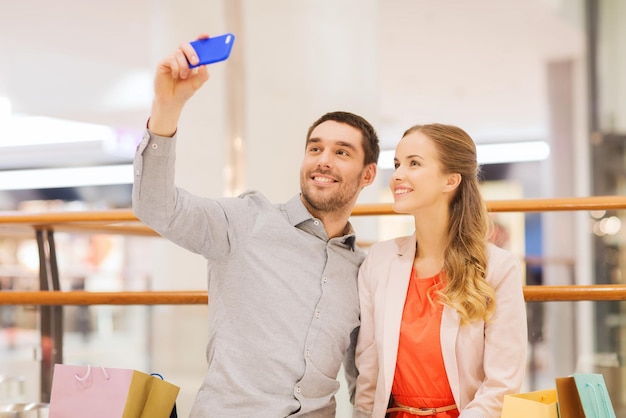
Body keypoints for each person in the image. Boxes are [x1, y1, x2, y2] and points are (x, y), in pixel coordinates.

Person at [132, 35, 380, 417]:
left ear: (368, 175)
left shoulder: (363, 270)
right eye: (315, 148)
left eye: (341, 152)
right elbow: (156, 207)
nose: (323, 160)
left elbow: (362, 375)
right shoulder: (246, 221)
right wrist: (168, 106)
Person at [353, 124, 527, 418]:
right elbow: (368, 372)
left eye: (414, 163)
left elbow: (502, 384)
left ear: (451, 180)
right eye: (396, 164)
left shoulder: (498, 268)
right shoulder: (379, 261)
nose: (397, 175)